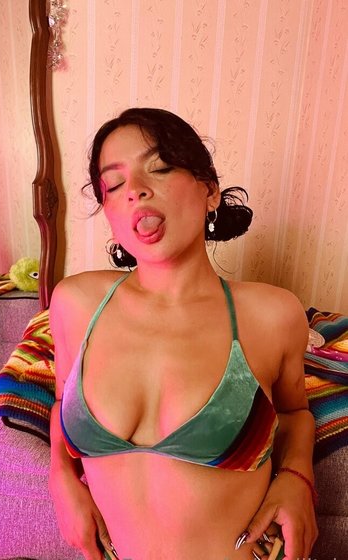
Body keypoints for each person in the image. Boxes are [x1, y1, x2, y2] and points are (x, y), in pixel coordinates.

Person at [49, 108, 317, 560]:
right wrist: (60, 476)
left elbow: (294, 414)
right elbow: (62, 403)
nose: (134, 189)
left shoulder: (272, 314)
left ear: (209, 191)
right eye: (113, 184)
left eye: (159, 167)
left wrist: (297, 477)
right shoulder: (75, 304)